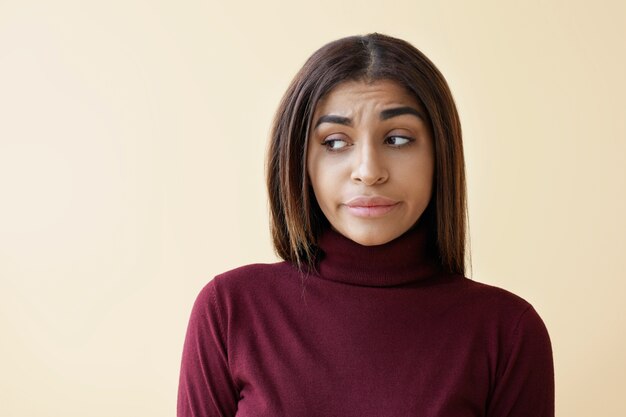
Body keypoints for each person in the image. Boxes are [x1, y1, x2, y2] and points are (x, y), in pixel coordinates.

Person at [177, 33, 554, 417]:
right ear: (299, 161)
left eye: (397, 139)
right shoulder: (229, 309)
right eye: (336, 142)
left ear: (440, 153)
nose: (369, 172)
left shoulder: (507, 332)